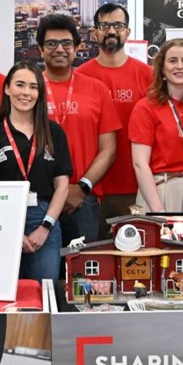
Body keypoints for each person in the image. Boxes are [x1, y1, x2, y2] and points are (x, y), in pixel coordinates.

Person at [0, 62, 71, 282]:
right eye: (20, 85)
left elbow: (62, 186)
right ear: (7, 88)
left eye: (33, 87)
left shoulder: (53, 132)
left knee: (43, 294)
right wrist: (9, 230)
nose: (26, 92)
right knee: (2, 291)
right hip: (4, 218)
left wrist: (46, 226)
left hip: (44, 218)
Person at [39, 14, 120, 246]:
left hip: (83, 199)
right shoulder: (30, 89)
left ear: (77, 47)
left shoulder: (97, 89)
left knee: (83, 275)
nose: (59, 49)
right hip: (41, 199)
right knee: (42, 272)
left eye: (66, 43)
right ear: (41, 49)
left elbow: (109, 150)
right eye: (51, 43)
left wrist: (82, 188)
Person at [78, 2, 152, 220]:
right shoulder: (81, 76)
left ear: (128, 32)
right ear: (94, 33)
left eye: (118, 25)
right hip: (90, 189)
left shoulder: (148, 76)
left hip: (137, 186)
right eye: (104, 25)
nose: (111, 31)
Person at [130, 38, 183, 213]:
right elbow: (140, 164)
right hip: (161, 190)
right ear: (162, 68)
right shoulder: (146, 107)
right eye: (172, 61)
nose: (179, 66)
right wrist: (158, 211)